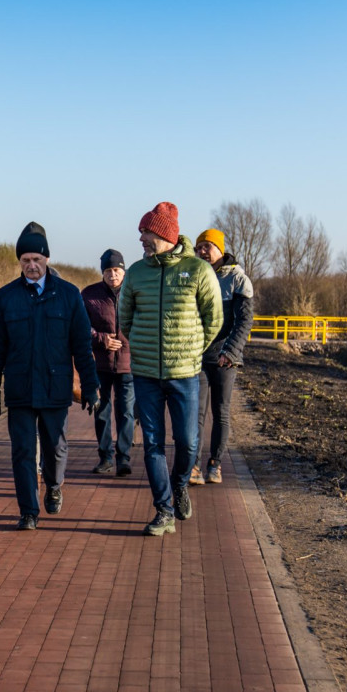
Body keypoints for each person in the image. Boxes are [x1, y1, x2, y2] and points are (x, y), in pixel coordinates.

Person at [0, 221, 99, 530]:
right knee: (21, 450)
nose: (31, 266)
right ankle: (28, 511)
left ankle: (55, 484)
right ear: (19, 262)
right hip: (20, 387)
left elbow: (82, 346)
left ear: (47, 259)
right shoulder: (6, 298)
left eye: (37, 259)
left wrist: (90, 386)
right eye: (25, 261)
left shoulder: (69, 295)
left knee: (55, 446)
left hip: (55, 386)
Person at [117, 202, 222, 536]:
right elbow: (125, 317)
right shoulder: (135, 272)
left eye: (145, 233)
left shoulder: (199, 271)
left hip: (186, 374)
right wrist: (143, 347)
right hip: (146, 373)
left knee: (188, 442)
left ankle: (179, 486)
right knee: (152, 443)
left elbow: (214, 318)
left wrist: (192, 350)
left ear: (163, 234)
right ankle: (163, 509)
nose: (141, 239)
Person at [190, 228, 255, 485]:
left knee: (221, 412)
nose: (203, 252)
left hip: (225, 359)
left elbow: (244, 321)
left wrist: (230, 352)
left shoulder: (239, 279)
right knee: (196, 414)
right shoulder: (195, 275)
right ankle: (193, 467)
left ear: (220, 249)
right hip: (198, 356)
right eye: (199, 248)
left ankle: (215, 464)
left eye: (207, 246)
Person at [81, 249, 134, 477]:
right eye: (108, 270)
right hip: (100, 364)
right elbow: (82, 327)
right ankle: (105, 458)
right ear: (102, 272)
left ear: (123, 271)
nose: (113, 275)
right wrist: (102, 339)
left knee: (126, 412)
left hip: (128, 365)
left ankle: (124, 458)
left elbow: (143, 322)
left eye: (116, 270)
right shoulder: (89, 295)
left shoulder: (134, 292)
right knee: (101, 411)